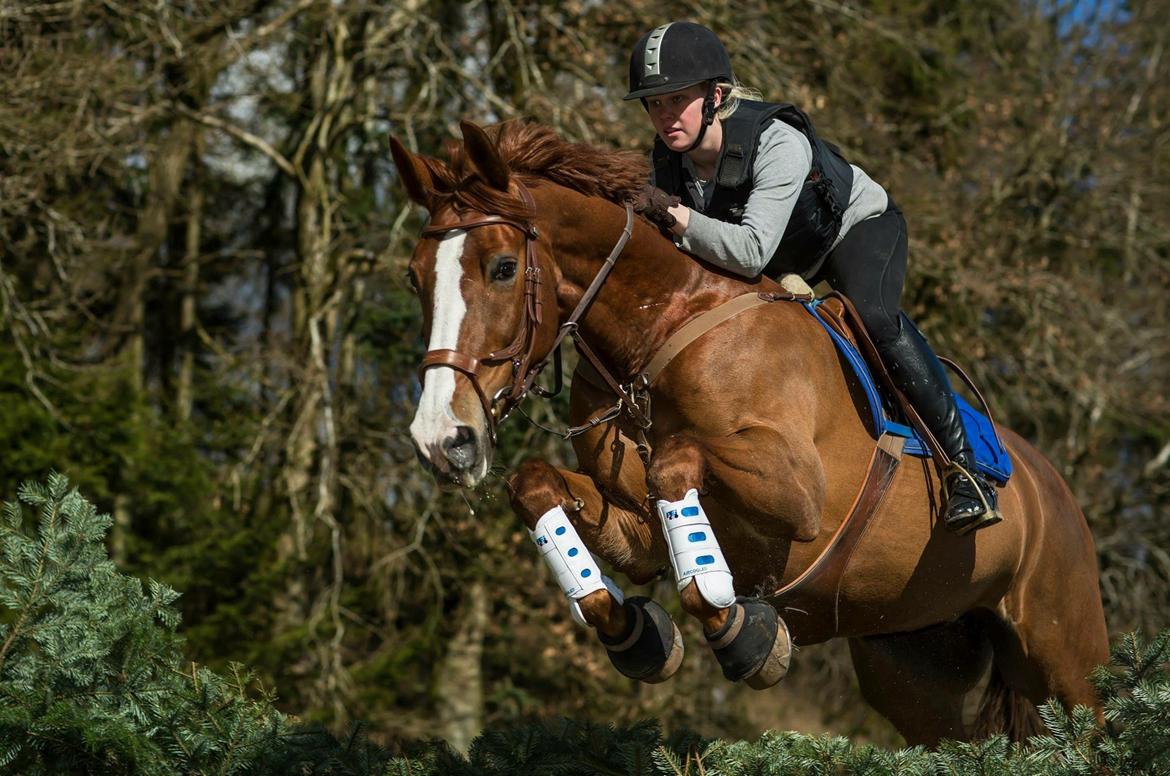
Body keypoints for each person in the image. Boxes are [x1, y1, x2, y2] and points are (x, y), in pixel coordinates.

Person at [625, 21, 1001, 534]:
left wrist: (674, 215)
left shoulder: (777, 141)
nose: (665, 116)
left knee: (871, 317)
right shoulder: (666, 164)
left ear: (715, 96)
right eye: (654, 104)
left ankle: (966, 471)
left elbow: (750, 251)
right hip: (783, 258)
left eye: (677, 100)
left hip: (852, 231)